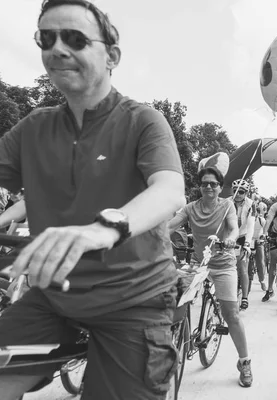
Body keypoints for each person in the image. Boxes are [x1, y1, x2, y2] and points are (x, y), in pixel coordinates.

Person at [0, 1, 186, 398]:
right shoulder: (33, 127)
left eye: (75, 39)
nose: (58, 49)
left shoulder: (143, 121)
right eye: (46, 38)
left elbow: (169, 190)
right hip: (53, 295)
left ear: (112, 56)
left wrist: (106, 228)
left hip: (133, 298)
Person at [168, 167, 253, 387]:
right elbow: (170, 225)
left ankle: (244, 362)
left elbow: (233, 228)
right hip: (199, 264)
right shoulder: (190, 208)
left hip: (224, 264)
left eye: (213, 184)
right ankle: (174, 344)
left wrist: (232, 239)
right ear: (199, 186)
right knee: (176, 298)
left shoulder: (227, 205)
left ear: (219, 187)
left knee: (231, 314)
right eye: (204, 183)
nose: (208, 187)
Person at [230, 179, 255, 311]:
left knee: (242, 268)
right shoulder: (227, 202)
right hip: (229, 236)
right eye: (235, 191)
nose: (238, 194)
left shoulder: (251, 204)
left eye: (241, 192)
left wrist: (247, 244)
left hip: (242, 236)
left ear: (246, 193)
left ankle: (244, 297)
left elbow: (251, 225)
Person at [248, 201, 268, 292]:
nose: (255, 212)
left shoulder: (261, 220)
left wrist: (264, 236)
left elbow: (265, 230)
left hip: (258, 241)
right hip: (248, 241)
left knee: (260, 261)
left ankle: (262, 281)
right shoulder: (248, 219)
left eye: (257, 210)